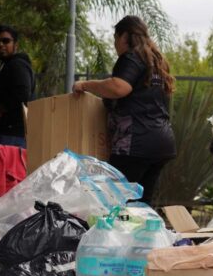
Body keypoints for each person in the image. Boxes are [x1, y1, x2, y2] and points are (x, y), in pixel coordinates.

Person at [73, 16, 176, 206]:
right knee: (142, 204)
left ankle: (120, 235)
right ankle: (144, 234)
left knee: (116, 202)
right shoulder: (156, 62)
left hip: (136, 143)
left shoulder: (131, 57)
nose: (114, 44)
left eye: (115, 38)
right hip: (161, 143)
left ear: (124, 36)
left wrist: (85, 84)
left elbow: (119, 87)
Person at [0, 25, 35, 148]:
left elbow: (23, 95)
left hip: (13, 135)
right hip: (8, 132)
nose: (1, 44)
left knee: (7, 168)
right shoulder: (8, 65)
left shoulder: (17, 65)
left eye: (6, 41)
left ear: (16, 45)